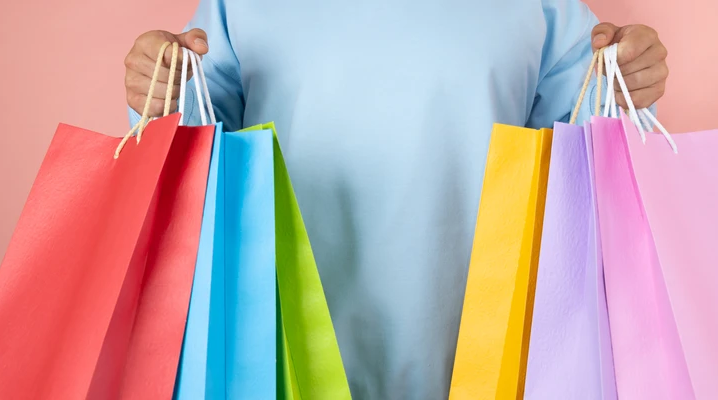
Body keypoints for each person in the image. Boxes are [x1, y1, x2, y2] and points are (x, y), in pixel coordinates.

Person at [124, 0, 669, 398]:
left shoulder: (538, 10)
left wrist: (625, 79)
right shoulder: (238, 6)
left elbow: (583, 153)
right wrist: (159, 92)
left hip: (482, 357)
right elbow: (194, 153)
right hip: (277, 353)